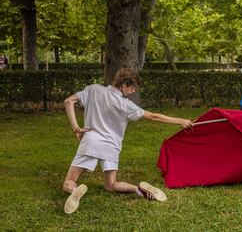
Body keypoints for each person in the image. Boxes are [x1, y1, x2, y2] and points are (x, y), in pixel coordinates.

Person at [62, 68, 193, 214]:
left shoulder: (94, 89)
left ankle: (74, 190)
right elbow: (154, 116)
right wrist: (180, 121)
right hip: (111, 147)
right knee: (111, 185)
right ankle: (138, 189)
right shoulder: (126, 105)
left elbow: (68, 101)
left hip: (91, 142)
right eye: (132, 88)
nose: (132, 92)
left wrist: (76, 128)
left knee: (69, 182)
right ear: (124, 84)